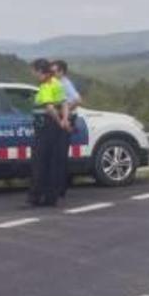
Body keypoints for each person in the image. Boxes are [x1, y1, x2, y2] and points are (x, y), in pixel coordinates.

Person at [28, 59, 70, 207]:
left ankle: (35, 197)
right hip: (56, 128)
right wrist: (64, 120)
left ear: (40, 71)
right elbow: (64, 103)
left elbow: (50, 108)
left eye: (34, 71)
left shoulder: (45, 85)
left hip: (45, 126)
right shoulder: (57, 82)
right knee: (53, 162)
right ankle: (51, 197)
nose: (33, 74)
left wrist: (59, 121)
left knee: (39, 162)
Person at [51, 60, 81, 197]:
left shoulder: (65, 83)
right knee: (57, 154)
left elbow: (78, 100)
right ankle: (57, 185)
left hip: (66, 120)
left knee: (61, 154)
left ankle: (60, 188)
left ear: (61, 72)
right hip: (62, 119)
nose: (52, 73)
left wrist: (64, 112)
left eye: (54, 71)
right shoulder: (56, 83)